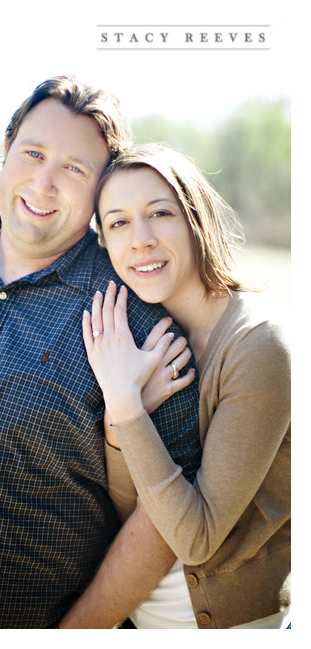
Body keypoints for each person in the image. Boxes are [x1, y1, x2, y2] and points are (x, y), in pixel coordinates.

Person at [0, 75, 203, 628]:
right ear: (6, 150)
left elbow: (163, 516)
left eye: (75, 169)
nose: (44, 182)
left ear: (102, 189)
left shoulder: (136, 321)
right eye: (33, 153)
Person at [80, 143, 290, 628]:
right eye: (118, 223)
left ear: (195, 218)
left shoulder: (257, 344)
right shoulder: (155, 338)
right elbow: (133, 507)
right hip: (143, 618)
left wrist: (126, 403)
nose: (141, 240)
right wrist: (122, 415)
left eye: (160, 213)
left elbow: (195, 538)